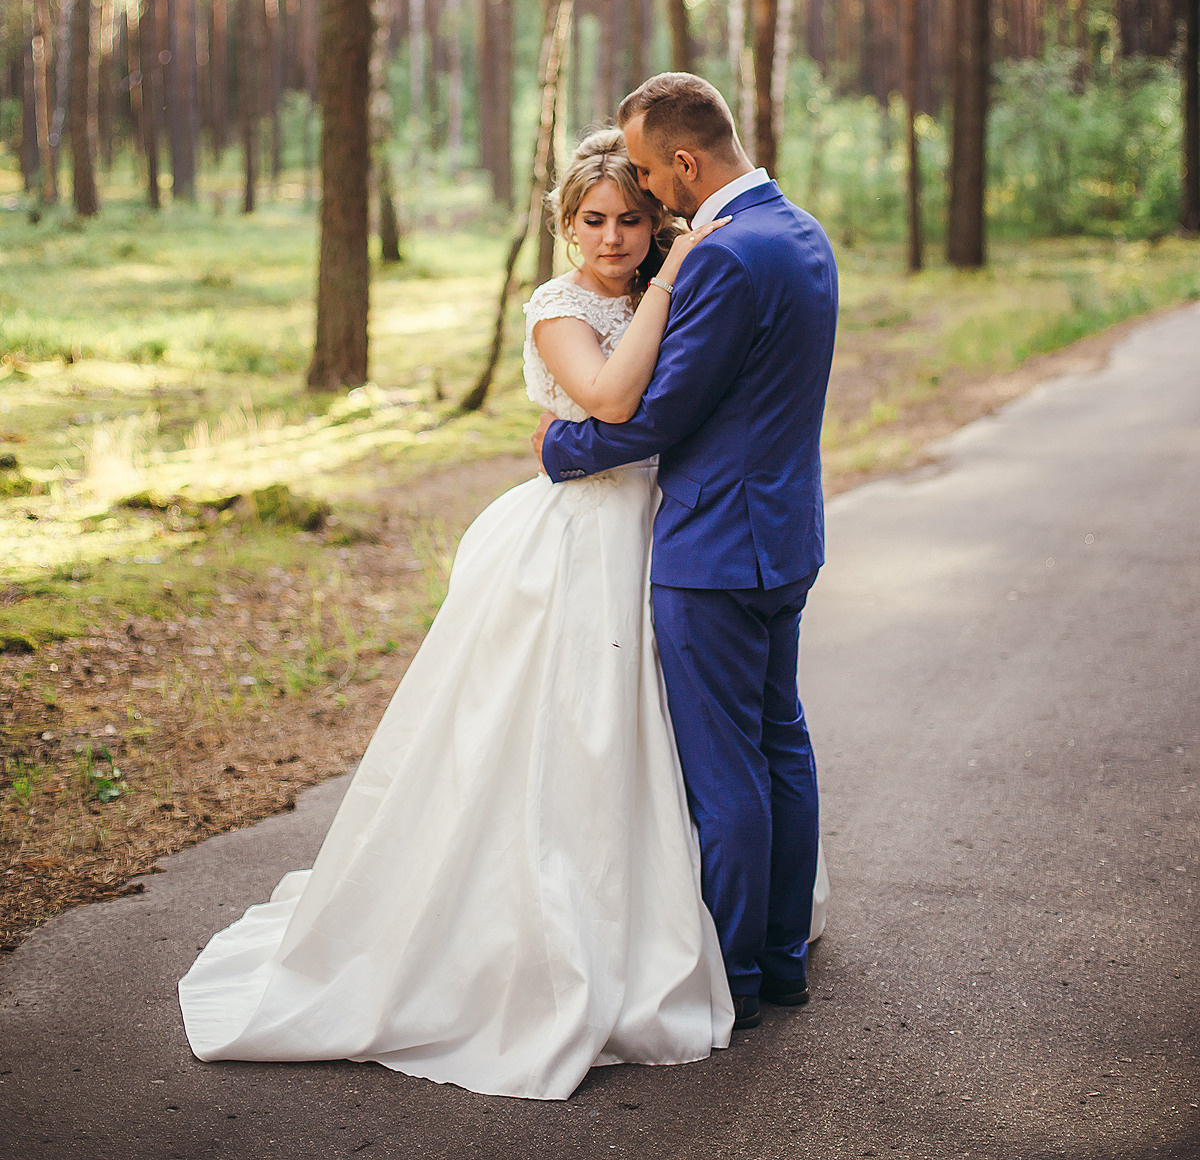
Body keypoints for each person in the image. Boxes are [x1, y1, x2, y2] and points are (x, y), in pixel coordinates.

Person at [178, 127, 736, 1100]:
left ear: (657, 222)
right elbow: (606, 397)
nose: (613, 239)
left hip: (663, 530)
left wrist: (675, 286)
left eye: (633, 222)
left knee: (663, 726)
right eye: (595, 221)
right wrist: (668, 283)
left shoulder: (673, 292)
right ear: (567, 229)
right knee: (558, 727)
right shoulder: (559, 309)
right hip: (575, 540)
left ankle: (680, 914)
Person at [534, 74, 839, 1033]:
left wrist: (560, 448)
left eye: (652, 189)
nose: (648, 210)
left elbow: (658, 411)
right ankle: (783, 959)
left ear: (683, 162)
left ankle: (740, 977)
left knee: (726, 769)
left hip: (713, 549)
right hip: (786, 536)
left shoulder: (723, 258)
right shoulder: (802, 234)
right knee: (781, 743)